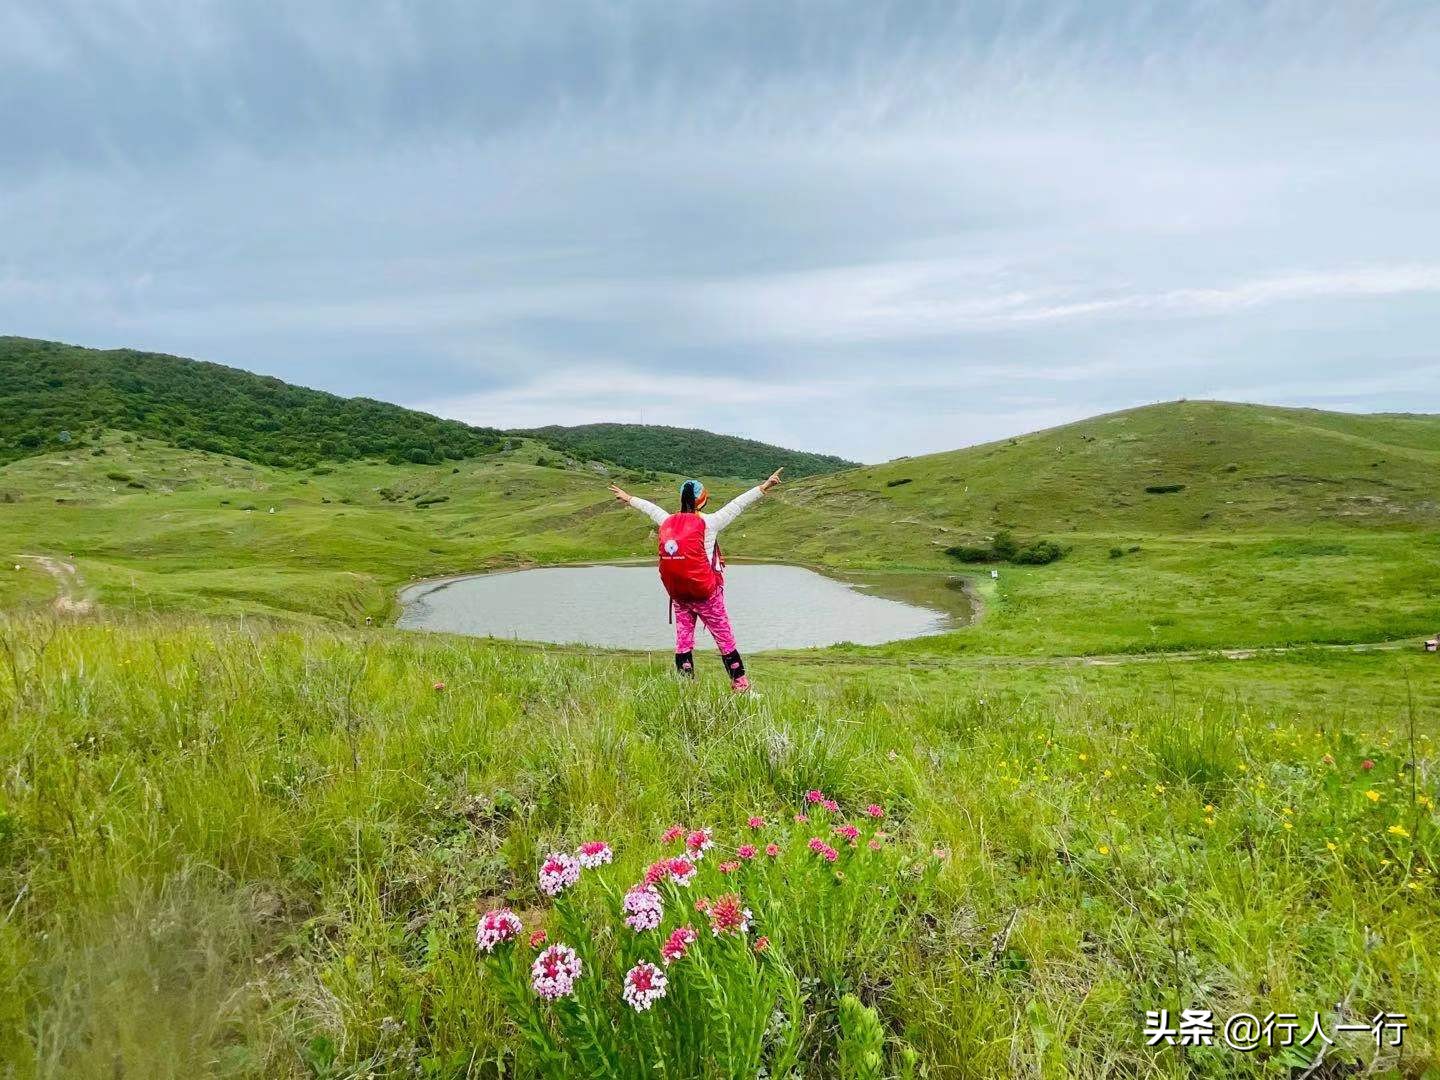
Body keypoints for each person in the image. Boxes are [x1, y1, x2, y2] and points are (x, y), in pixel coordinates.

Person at [609, 469, 783, 691]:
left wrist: (629, 498)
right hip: (707, 593)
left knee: (683, 640)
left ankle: (685, 688)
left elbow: (650, 508)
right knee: (724, 639)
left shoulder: (667, 521)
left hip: (679, 595)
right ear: (703, 500)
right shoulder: (711, 523)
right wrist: (764, 486)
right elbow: (738, 504)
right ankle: (740, 686)